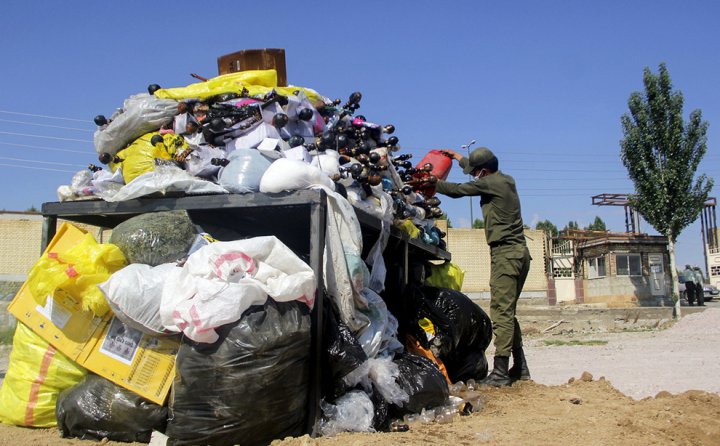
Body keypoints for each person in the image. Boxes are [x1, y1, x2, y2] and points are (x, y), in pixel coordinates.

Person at [434, 146, 531, 387]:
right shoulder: (504, 180)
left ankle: (500, 372)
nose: (474, 175)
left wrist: (429, 182)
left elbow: (457, 190)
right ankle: (521, 366)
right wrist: (458, 158)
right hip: (519, 253)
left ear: (484, 171)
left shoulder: (490, 183)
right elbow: (475, 172)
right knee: (508, 312)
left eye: (476, 172)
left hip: (505, 254)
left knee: (500, 312)